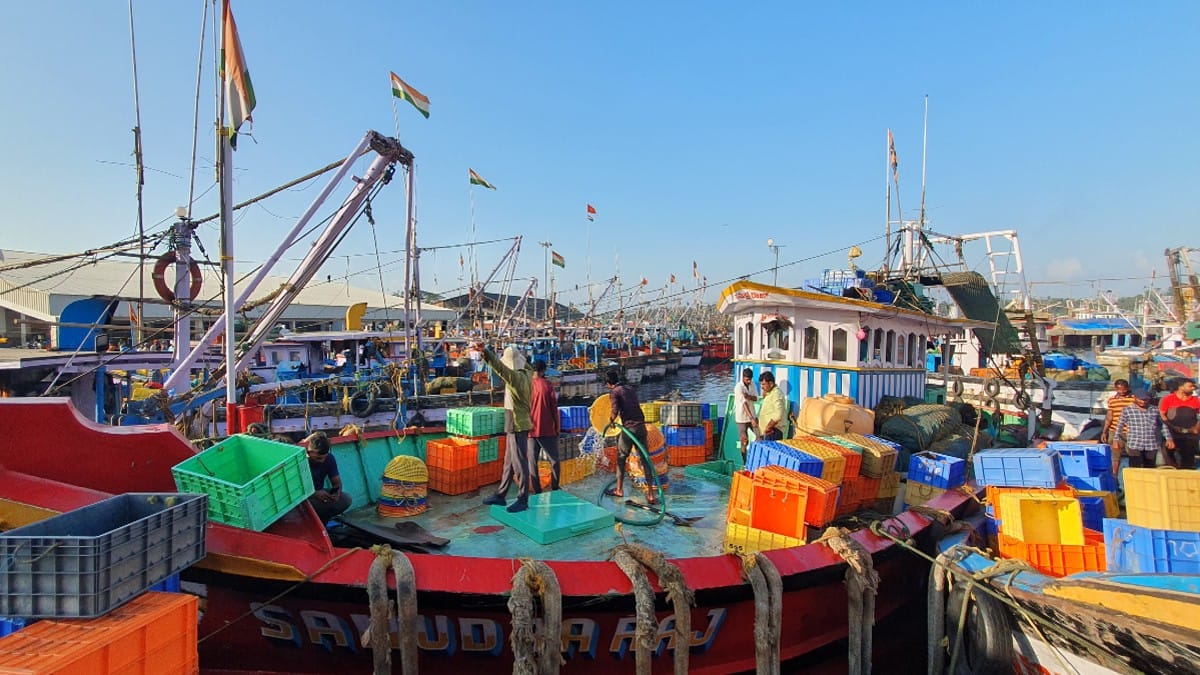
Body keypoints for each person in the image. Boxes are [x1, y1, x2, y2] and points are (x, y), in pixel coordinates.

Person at [480, 345, 537, 512]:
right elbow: (522, 364)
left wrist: (486, 353)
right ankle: (501, 494)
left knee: (519, 462)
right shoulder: (527, 372)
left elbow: (499, 369)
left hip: (516, 421)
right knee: (508, 461)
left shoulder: (515, 378)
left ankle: (523, 498)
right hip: (517, 419)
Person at [603, 369, 656, 505]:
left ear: (609, 383)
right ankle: (650, 494)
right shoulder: (630, 389)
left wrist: (610, 422)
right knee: (645, 460)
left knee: (621, 458)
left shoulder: (614, 392)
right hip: (641, 427)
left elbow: (615, 410)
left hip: (629, 429)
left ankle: (619, 490)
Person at [303, 431, 352, 523]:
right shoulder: (301, 461)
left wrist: (336, 493)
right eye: (318, 458)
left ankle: (322, 522)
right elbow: (295, 490)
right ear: (309, 452)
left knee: (346, 499)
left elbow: (337, 482)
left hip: (321, 496)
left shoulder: (329, 458)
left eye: (324, 457)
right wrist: (313, 493)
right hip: (304, 499)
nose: (322, 461)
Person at [528, 360, 561, 491]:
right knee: (554, 460)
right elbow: (554, 408)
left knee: (532, 462)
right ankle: (555, 487)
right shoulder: (547, 385)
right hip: (547, 428)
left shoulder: (527, 386)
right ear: (543, 371)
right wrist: (557, 427)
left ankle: (537, 490)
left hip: (530, 429)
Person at [1114, 391, 1168, 468]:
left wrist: (1169, 439)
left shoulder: (1155, 410)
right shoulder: (1127, 410)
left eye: (1145, 400)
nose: (1143, 402)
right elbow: (1120, 425)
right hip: (1135, 443)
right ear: (1135, 398)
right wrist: (1116, 440)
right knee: (1135, 466)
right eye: (1141, 399)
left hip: (1151, 444)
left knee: (1150, 467)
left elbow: (1162, 425)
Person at [1159, 379, 1200, 469]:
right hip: (1172, 436)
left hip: (1190, 437)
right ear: (1181, 387)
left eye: (1193, 386)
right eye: (1190, 386)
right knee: (1170, 462)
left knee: (1188, 463)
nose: (1193, 388)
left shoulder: (1196, 400)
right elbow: (1162, 415)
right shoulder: (1168, 399)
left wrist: (1196, 427)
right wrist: (1172, 427)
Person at [1101, 379, 1135, 473]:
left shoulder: (1134, 399)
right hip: (1115, 431)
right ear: (1116, 389)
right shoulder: (1112, 401)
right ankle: (1114, 477)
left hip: (1131, 431)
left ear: (1128, 388)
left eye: (1124, 389)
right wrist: (1104, 431)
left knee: (1133, 455)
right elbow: (1109, 417)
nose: (1122, 392)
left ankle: (1132, 475)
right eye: (1119, 389)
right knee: (1115, 457)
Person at [754, 371, 788, 441]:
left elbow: (778, 415)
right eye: (761, 384)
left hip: (773, 432)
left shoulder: (776, 394)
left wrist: (768, 427)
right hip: (765, 432)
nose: (761, 387)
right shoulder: (769, 393)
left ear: (771, 384)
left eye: (763, 384)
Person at [733, 368, 759, 456]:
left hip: (752, 415)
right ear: (743, 378)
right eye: (747, 379)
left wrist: (748, 396)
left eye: (750, 379)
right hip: (741, 418)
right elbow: (744, 404)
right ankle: (744, 460)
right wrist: (751, 418)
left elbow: (756, 398)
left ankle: (755, 454)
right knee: (744, 441)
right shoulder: (738, 387)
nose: (749, 381)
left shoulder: (753, 384)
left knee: (759, 435)